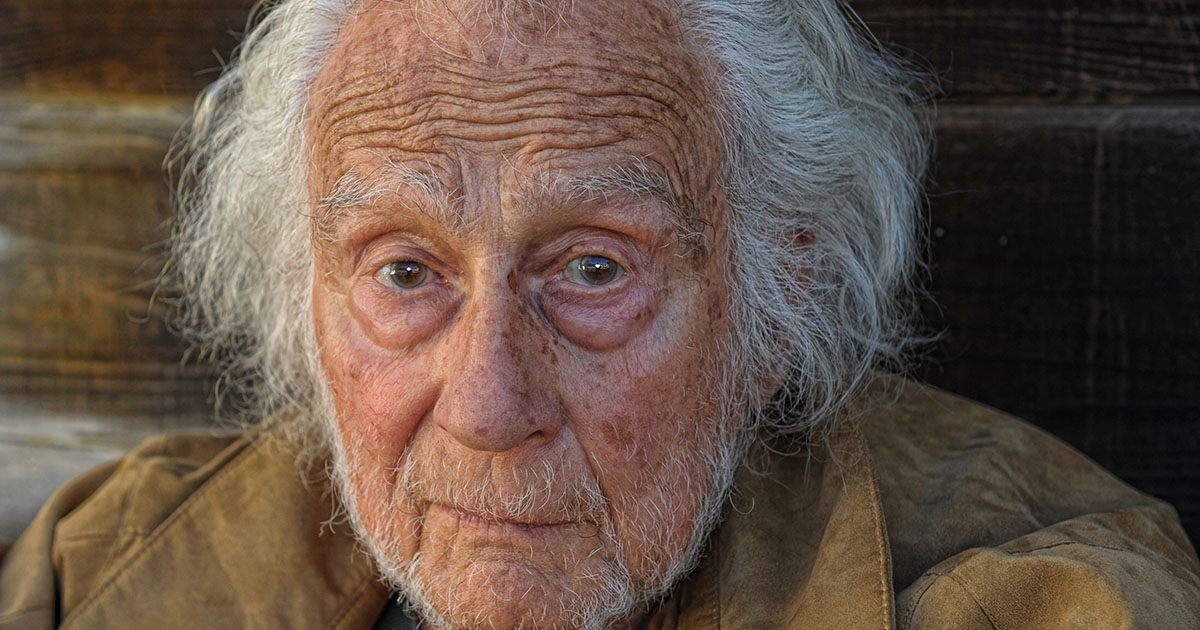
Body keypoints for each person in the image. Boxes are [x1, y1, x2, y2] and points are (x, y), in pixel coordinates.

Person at [2, 0, 1198, 628]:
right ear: (306, 296)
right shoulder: (94, 572)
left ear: (777, 294)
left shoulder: (1049, 607)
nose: (487, 407)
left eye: (590, 270)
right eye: (405, 273)